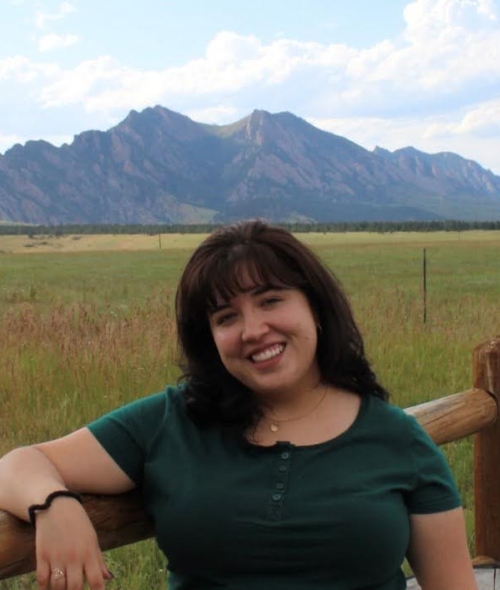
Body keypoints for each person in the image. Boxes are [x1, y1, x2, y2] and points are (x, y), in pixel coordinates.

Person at [0, 220, 477, 590]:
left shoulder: (398, 440)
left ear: (315, 307)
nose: (252, 330)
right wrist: (54, 505)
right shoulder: (173, 421)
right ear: (209, 339)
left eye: (270, 300)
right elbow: (20, 464)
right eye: (227, 317)